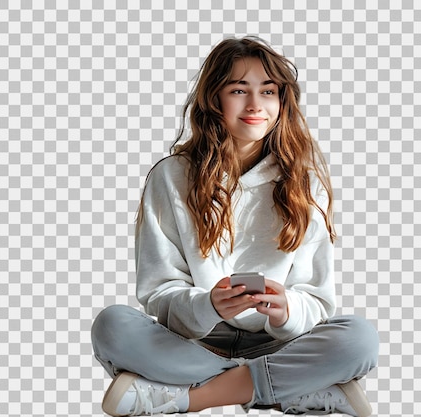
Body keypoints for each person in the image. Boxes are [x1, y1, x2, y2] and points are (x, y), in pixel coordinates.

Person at [91, 36, 379, 416]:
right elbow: (159, 292)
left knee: (359, 339)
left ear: (282, 100)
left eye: (268, 91)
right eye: (239, 90)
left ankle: (190, 396)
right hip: (195, 343)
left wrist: (285, 310)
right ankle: (290, 391)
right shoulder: (171, 177)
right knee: (112, 325)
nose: (256, 105)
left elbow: (318, 300)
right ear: (214, 99)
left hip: (278, 345)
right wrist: (209, 306)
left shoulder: (304, 185)